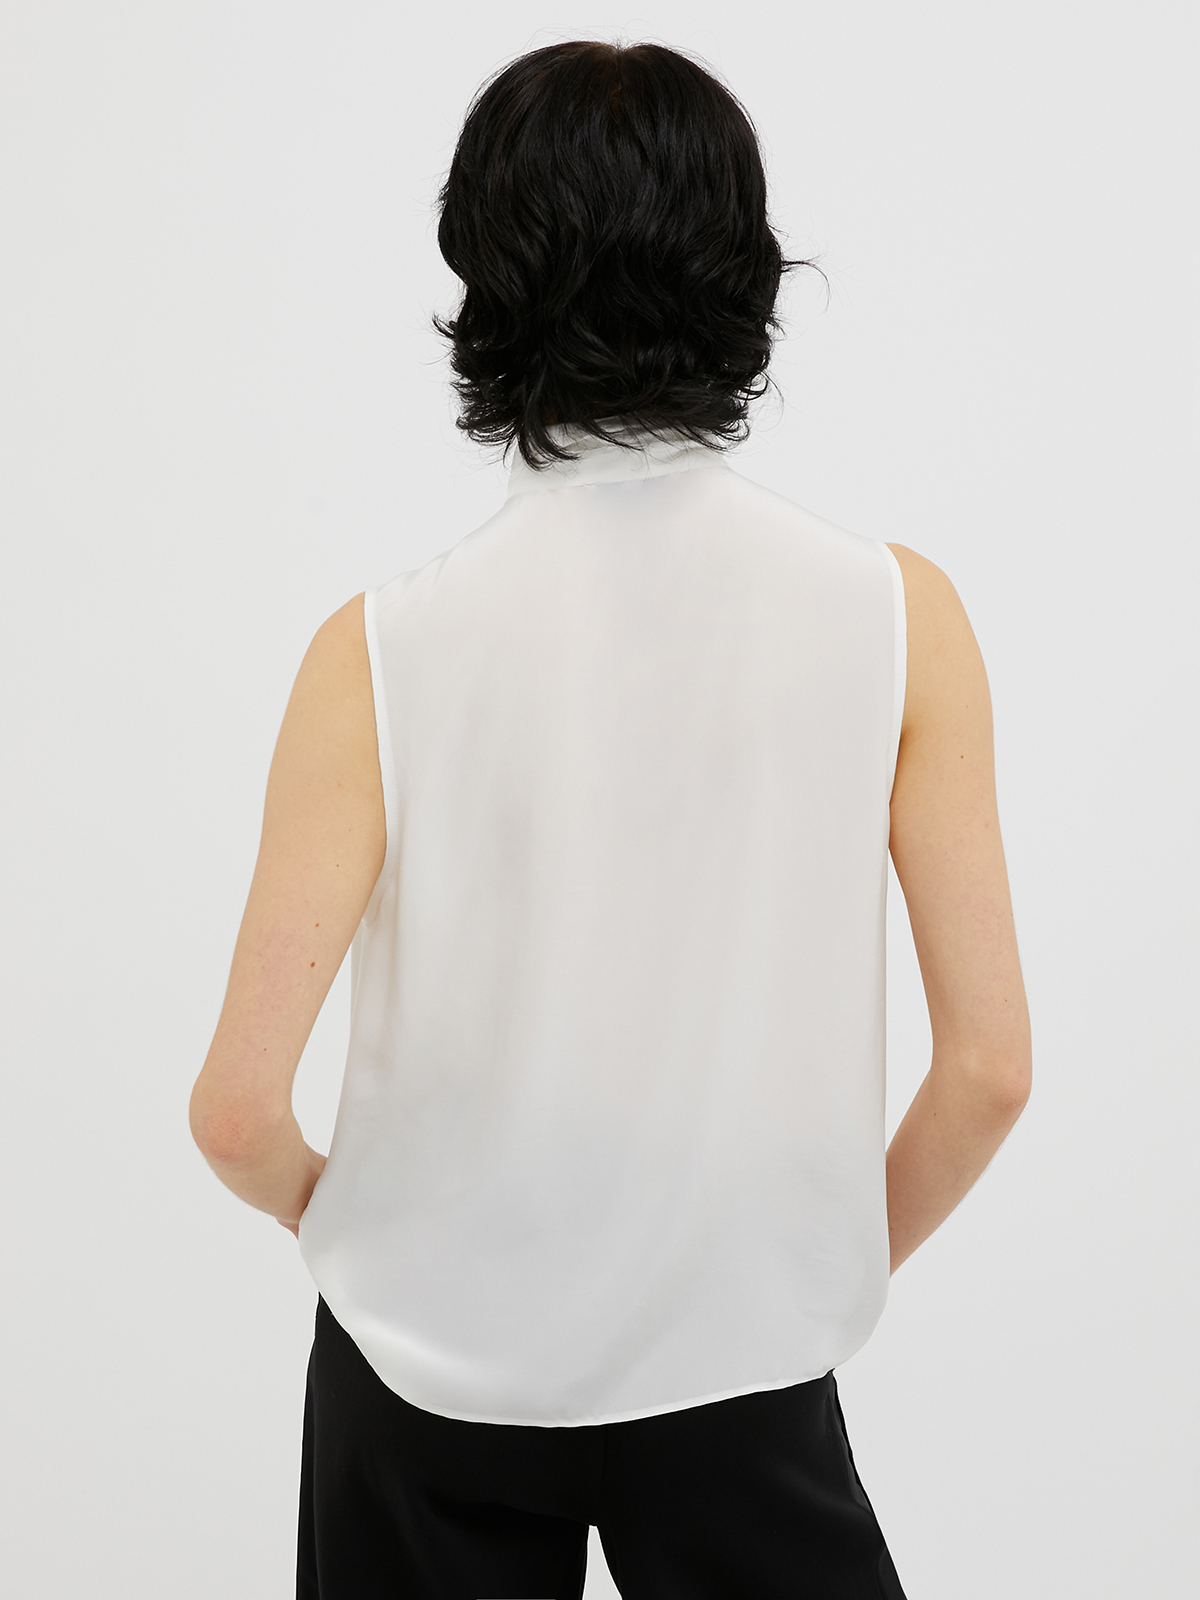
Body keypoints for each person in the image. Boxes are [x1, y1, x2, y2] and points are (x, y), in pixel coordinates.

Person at [189, 39, 1031, 1600]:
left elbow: (238, 1113)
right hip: (742, 1366)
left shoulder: (374, 651)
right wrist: (798, 1277)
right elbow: (989, 1072)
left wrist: (379, 1246)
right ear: (744, 273)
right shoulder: (899, 617)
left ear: (485, 277)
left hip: (420, 1372)